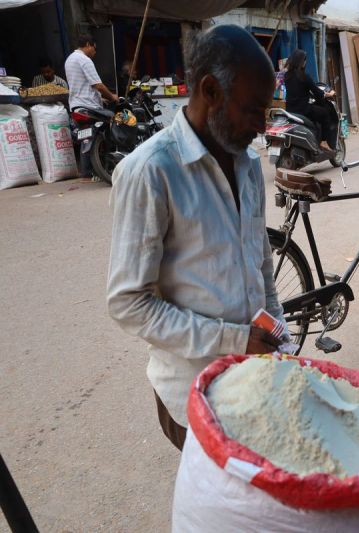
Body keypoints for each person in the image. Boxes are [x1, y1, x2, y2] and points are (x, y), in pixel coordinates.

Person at [107, 25, 289, 451]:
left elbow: (260, 266)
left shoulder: (247, 164)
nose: (262, 127)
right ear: (210, 91)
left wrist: (279, 340)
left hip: (252, 381)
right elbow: (127, 303)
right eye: (253, 110)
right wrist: (235, 340)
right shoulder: (151, 171)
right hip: (194, 396)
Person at [65, 34, 118, 181]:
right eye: (94, 49)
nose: (95, 52)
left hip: (77, 105)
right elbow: (98, 85)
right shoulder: (84, 60)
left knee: (87, 137)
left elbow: (81, 85)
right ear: (88, 44)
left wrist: (100, 98)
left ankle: (86, 174)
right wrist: (111, 97)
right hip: (90, 106)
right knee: (113, 121)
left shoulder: (69, 59)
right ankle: (112, 164)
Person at [284, 49, 337, 151]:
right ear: (301, 62)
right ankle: (324, 142)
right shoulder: (304, 76)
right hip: (303, 110)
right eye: (304, 60)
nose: (305, 62)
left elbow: (297, 90)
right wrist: (329, 94)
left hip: (290, 110)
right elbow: (317, 92)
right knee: (325, 113)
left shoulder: (287, 76)